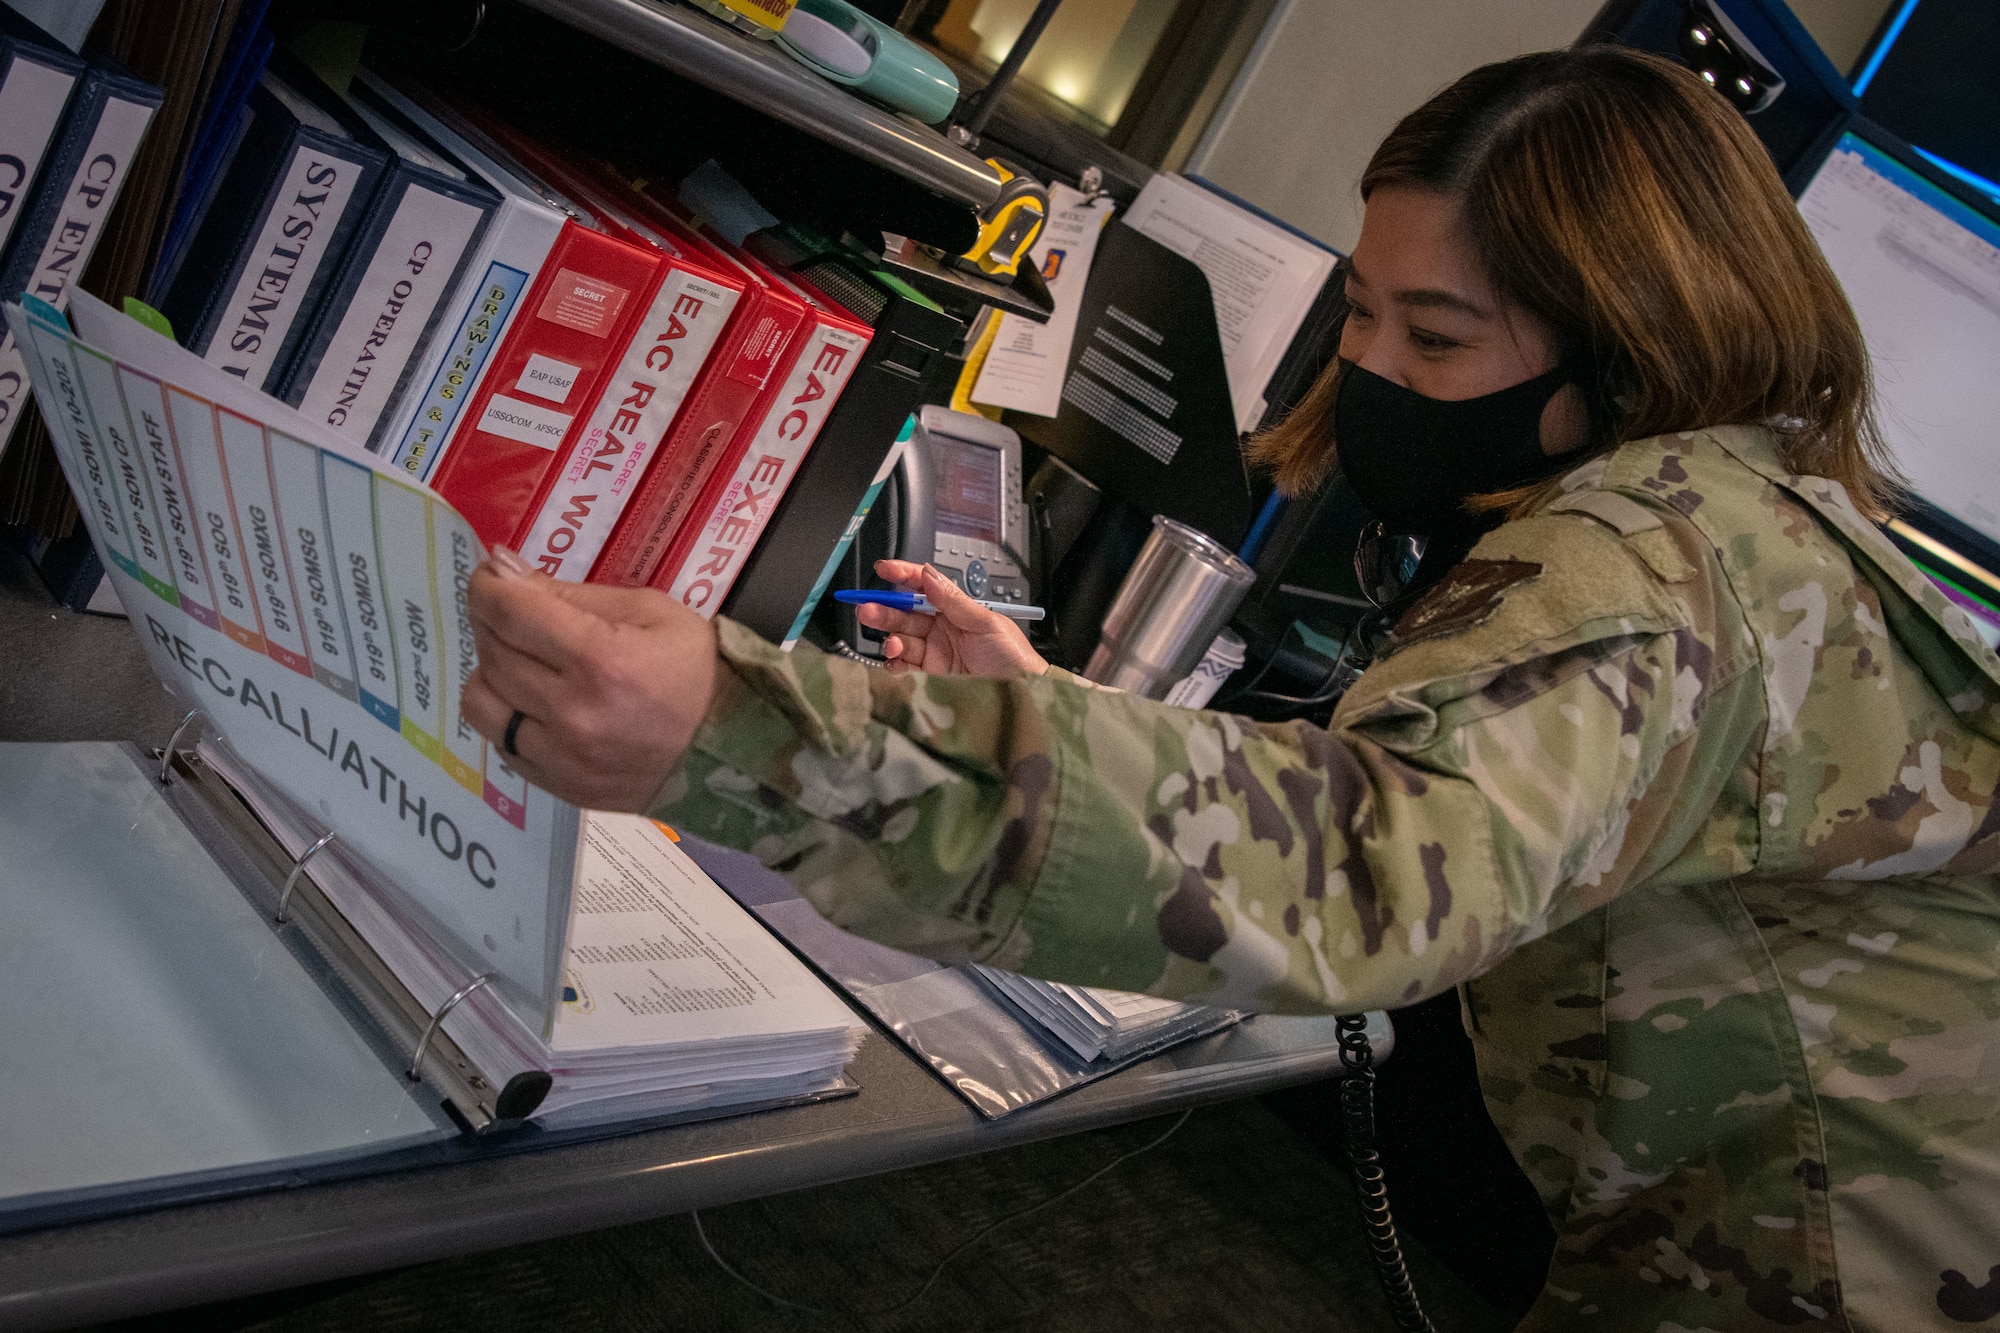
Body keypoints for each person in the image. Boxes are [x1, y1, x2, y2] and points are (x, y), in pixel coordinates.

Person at [458, 47, 2000, 1331]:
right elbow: (1454, 785)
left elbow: (1367, 869)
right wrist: (1063, 714)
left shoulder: (1663, 565)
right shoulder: (1748, 508)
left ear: (1632, 348)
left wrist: (742, 730)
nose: (1375, 364)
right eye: (1366, 312)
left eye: (1437, 335)